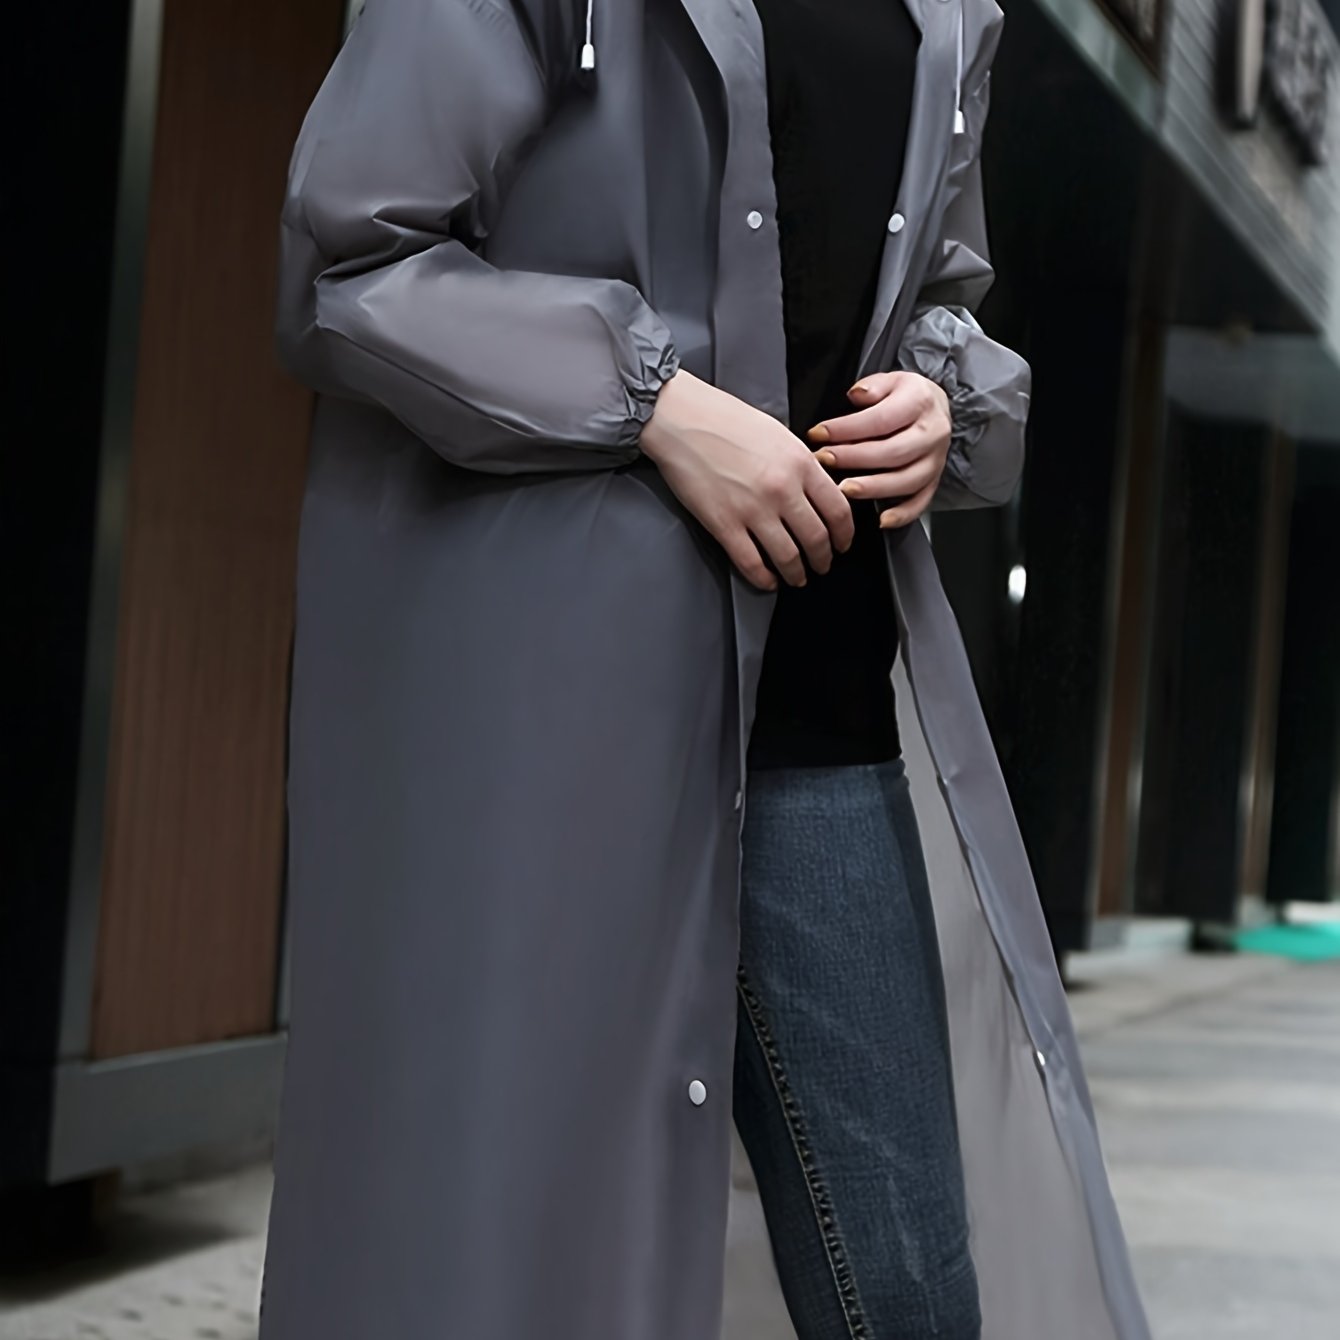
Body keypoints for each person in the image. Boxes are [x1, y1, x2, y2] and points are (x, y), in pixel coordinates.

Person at [261, 2, 1150, 1339]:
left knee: (906, 1292)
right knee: (511, 1269)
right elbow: (351, 260)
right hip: (555, 707)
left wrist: (939, 399)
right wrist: (658, 404)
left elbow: (934, 290)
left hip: (817, 706)